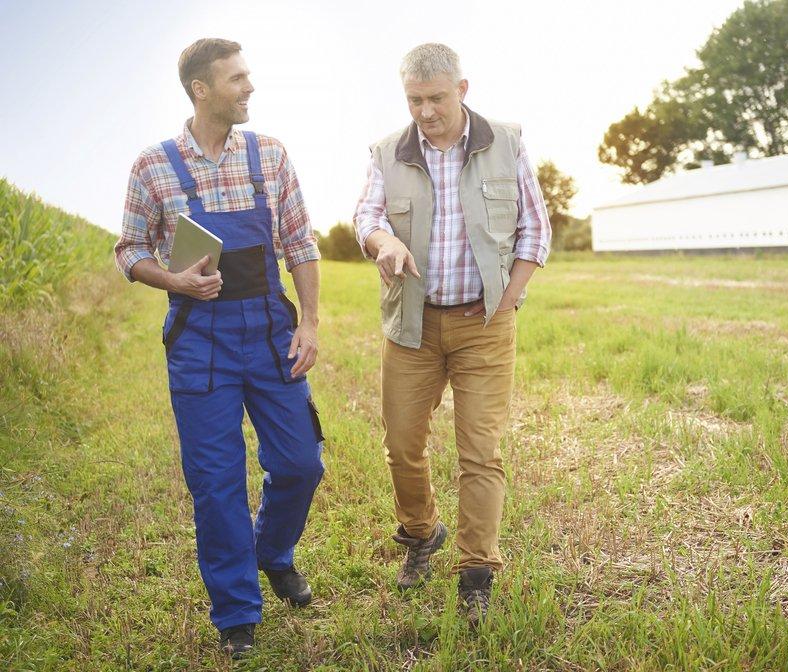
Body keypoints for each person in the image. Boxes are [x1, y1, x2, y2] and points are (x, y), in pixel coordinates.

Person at [113, 38, 325, 658]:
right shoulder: (154, 167)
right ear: (201, 90)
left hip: (267, 330)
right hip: (198, 338)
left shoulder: (270, 155)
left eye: (248, 75)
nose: (250, 86)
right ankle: (237, 614)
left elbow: (300, 243)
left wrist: (308, 323)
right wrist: (173, 279)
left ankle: (273, 552)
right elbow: (129, 249)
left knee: (300, 462)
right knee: (216, 481)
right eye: (237, 79)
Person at [353, 43, 551, 627]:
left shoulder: (506, 142)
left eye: (436, 98)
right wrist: (383, 242)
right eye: (414, 100)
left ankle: (476, 572)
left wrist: (508, 302)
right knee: (402, 445)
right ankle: (420, 534)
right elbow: (367, 216)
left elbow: (534, 230)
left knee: (480, 452)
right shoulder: (388, 153)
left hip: (484, 326)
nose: (425, 111)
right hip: (412, 326)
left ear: (462, 89)